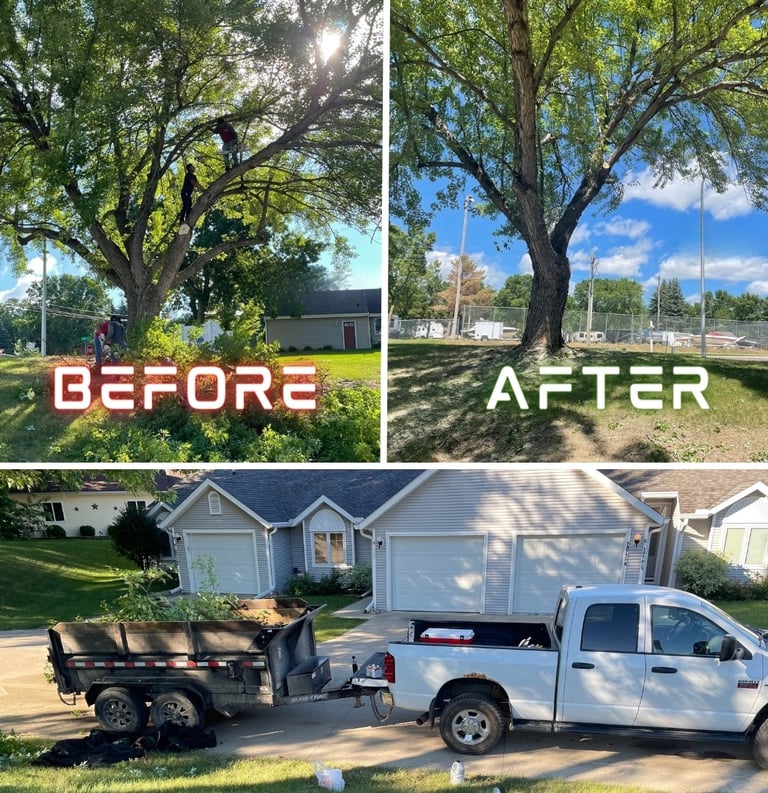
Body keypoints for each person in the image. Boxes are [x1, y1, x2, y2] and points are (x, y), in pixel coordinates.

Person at [178, 163, 202, 232]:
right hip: (185, 193)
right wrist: (202, 190)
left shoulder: (194, 176)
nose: (193, 168)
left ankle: (187, 219)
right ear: (189, 168)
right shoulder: (188, 175)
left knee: (189, 206)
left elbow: (197, 184)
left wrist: (203, 190)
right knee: (186, 205)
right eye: (192, 167)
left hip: (188, 194)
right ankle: (181, 220)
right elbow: (194, 183)